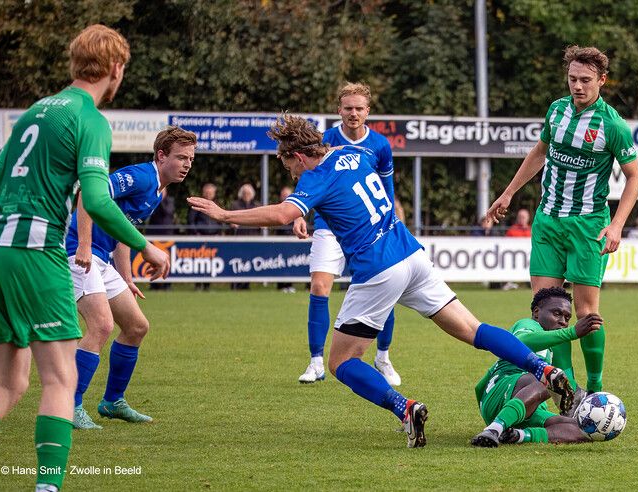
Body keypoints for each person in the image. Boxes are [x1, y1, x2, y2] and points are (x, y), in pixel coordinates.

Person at [188, 114, 574, 448]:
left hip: (378, 267)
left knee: (340, 360)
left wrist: (225, 215)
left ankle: (404, 407)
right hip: (410, 252)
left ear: (299, 155)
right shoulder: (351, 153)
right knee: (473, 329)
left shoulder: (316, 176)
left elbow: (283, 214)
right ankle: (543, 370)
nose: (289, 171)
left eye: (287, 163)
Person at [0, 25, 169, 492]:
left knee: (9, 382)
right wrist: (146, 245)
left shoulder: (32, 114)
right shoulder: (90, 119)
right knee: (59, 379)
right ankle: (48, 487)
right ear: (116, 68)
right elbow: (99, 200)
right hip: (37, 250)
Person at [485, 45, 638, 395]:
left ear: (602, 80)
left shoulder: (612, 125)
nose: (578, 86)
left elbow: (634, 177)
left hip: (588, 225)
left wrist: (616, 225)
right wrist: (509, 192)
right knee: (548, 310)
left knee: (586, 310)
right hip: (547, 223)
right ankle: (566, 387)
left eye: (586, 80)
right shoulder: (556, 111)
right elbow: (540, 152)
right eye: (572, 78)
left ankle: (596, 384)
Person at [66, 126, 196, 430]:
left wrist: (125, 276)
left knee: (137, 327)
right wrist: (84, 243)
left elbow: (123, 230)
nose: (187, 164)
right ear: (161, 156)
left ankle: (112, 402)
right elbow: (89, 193)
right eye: (181, 157)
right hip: (79, 252)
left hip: (102, 258)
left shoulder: (158, 189)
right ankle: (67, 406)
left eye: (191, 158)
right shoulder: (142, 176)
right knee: (101, 326)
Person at [292, 82, 402, 385]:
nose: (353, 113)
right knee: (318, 287)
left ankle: (383, 357)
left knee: (387, 291)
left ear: (368, 111)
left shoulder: (379, 145)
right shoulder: (324, 139)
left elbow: (386, 189)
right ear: (338, 109)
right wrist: (299, 212)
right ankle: (316, 362)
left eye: (359, 108)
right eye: (347, 108)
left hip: (369, 230)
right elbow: (307, 176)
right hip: (329, 225)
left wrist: (391, 222)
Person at [471, 288, 602, 447]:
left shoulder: (553, 345)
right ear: (536, 312)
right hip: (502, 393)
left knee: (586, 429)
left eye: (567, 317)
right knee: (547, 376)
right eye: (557, 313)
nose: (563, 321)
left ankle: (517, 435)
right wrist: (573, 332)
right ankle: (494, 429)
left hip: (530, 408)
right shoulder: (528, 324)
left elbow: (566, 386)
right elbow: (522, 341)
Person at [189, 183, 223, 291]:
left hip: (213, 238)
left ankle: (207, 286)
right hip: (200, 237)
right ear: (203, 193)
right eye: (207, 192)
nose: (209, 194)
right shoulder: (197, 204)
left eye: (211, 192)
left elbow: (221, 221)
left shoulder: (217, 205)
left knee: (211, 262)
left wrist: (219, 233)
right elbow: (191, 221)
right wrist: (196, 233)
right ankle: (198, 285)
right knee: (199, 262)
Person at [230, 183, 260, 290]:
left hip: (252, 239)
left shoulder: (257, 205)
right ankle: (235, 285)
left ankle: (246, 285)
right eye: (244, 193)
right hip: (238, 239)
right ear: (241, 194)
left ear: (252, 194)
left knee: (249, 262)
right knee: (237, 261)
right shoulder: (235, 205)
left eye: (248, 193)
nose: (246, 195)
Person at [277, 185, 297, 293]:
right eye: (284, 195)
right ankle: (280, 286)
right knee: (280, 263)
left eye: (287, 195)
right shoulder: (278, 207)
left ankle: (289, 285)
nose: (285, 197)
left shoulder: (296, 207)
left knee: (291, 263)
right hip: (280, 241)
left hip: (292, 240)